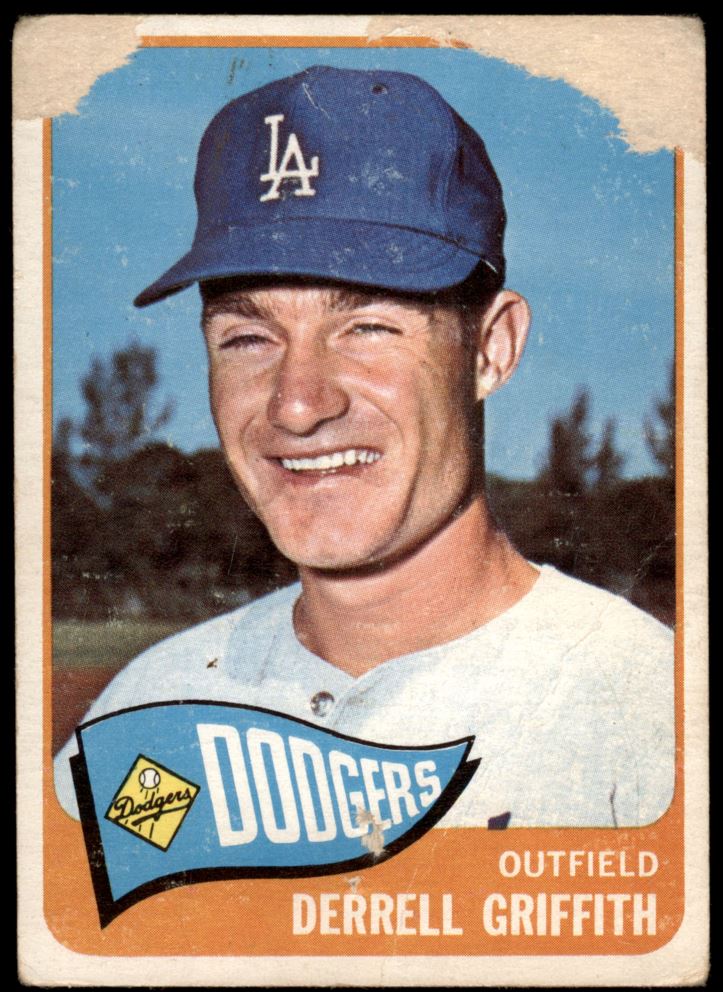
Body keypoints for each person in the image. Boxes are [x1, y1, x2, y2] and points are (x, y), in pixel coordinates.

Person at [54, 65, 674, 829]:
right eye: (247, 337)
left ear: (491, 349)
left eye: (368, 327)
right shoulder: (150, 715)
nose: (297, 403)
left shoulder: (648, 715)